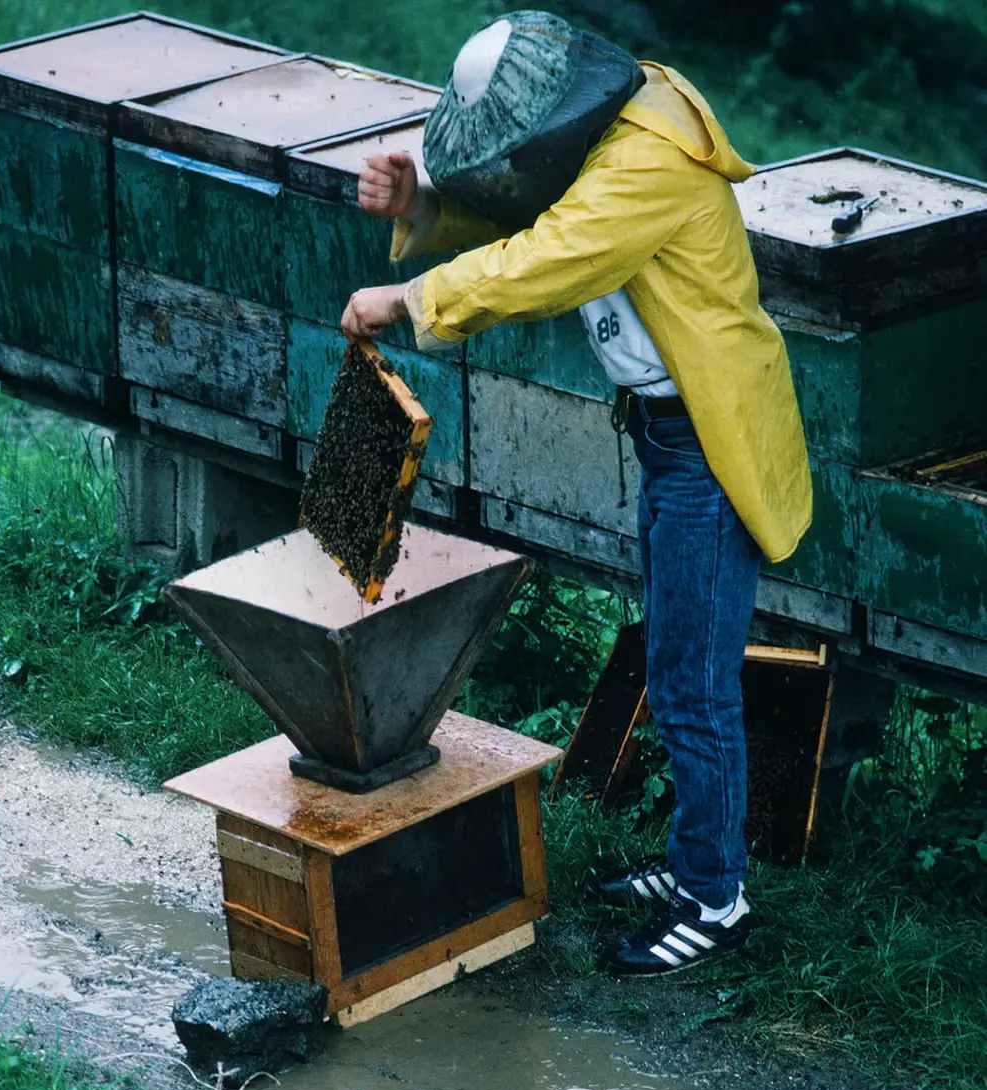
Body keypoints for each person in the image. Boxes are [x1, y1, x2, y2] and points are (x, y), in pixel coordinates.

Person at [341, 11, 812, 977]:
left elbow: (550, 257)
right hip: (669, 431)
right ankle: (693, 861)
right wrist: (422, 204)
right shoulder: (606, 130)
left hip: (710, 452)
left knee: (692, 682)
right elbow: (537, 214)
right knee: (679, 664)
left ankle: (716, 895)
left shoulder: (648, 163)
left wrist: (412, 300)